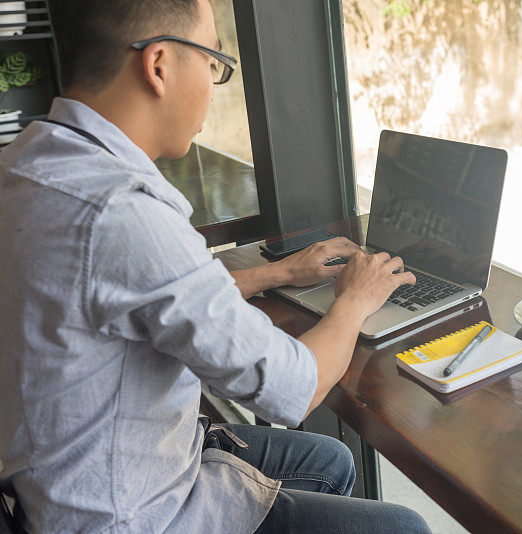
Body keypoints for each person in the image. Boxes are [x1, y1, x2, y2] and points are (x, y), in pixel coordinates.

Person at [0, 0, 432, 532]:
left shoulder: (27, 163)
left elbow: (135, 293)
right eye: (212, 61)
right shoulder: (123, 211)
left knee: (330, 462)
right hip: (132, 511)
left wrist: (279, 273)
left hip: (55, 483)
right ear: (159, 65)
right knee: (403, 527)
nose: (213, 82)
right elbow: (293, 387)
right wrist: (357, 299)